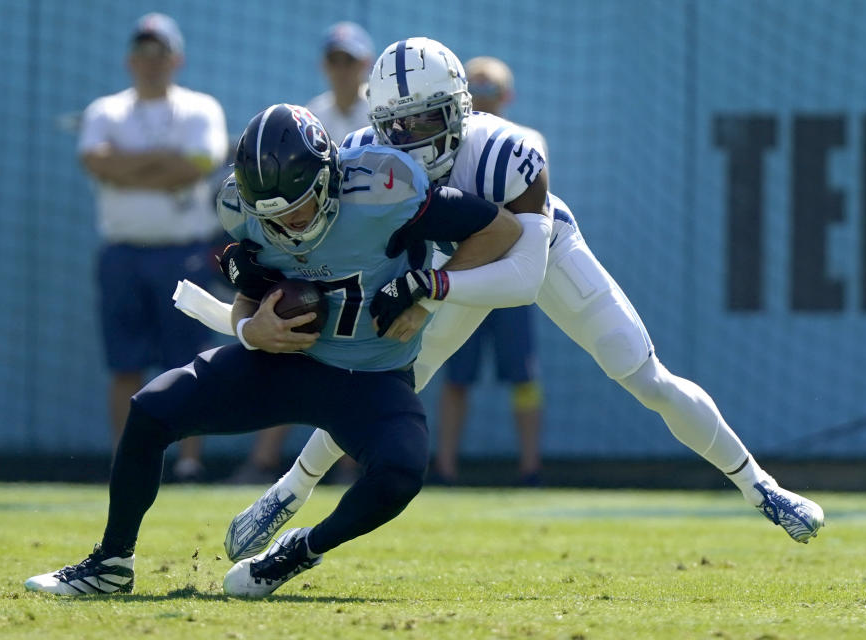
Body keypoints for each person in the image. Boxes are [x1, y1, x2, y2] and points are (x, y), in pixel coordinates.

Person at [226, 37, 825, 559]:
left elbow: (522, 276)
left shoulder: (506, 153)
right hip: (443, 270)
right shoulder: (364, 158)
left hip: (539, 255)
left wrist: (430, 289)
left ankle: (760, 486)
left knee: (644, 374)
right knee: (381, 378)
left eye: (426, 120)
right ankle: (287, 493)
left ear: (460, 109)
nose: (409, 140)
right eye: (397, 127)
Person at [24, 103, 529, 597]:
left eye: (299, 207)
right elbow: (251, 294)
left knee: (399, 474)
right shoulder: (239, 206)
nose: (289, 225)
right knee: (151, 409)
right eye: (275, 218)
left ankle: (299, 551)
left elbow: (501, 230)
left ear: (329, 178)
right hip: (281, 363)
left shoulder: (382, 189)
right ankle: (111, 563)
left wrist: (432, 288)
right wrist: (250, 330)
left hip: (370, 378)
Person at [77, 13, 228, 481]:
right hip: (123, 252)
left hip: (182, 253)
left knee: (187, 364)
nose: (151, 62)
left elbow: (198, 165)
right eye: (143, 53)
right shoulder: (105, 110)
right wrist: (163, 162)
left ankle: (187, 462)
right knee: (125, 363)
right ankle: (127, 461)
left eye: (160, 53)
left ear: (176, 59)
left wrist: (127, 167)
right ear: (129, 60)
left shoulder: (200, 108)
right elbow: (94, 161)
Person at [227, 21, 376, 486]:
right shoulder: (311, 114)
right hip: (307, 249)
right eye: (334, 60)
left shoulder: (378, 114)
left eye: (348, 60)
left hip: (365, 252)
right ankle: (266, 460)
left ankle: (354, 466)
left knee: (361, 358)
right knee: (294, 343)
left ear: (365, 65)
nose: (341, 69)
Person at [434, 56, 546, 486]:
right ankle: (445, 469)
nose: (483, 99)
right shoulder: (451, 143)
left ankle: (531, 469)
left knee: (524, 375)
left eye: (490, 91)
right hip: (465, 271)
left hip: (514, 272)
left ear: (507, 97)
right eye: (475, 91)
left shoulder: (526, 140)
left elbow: (518, 210)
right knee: (455, 375)